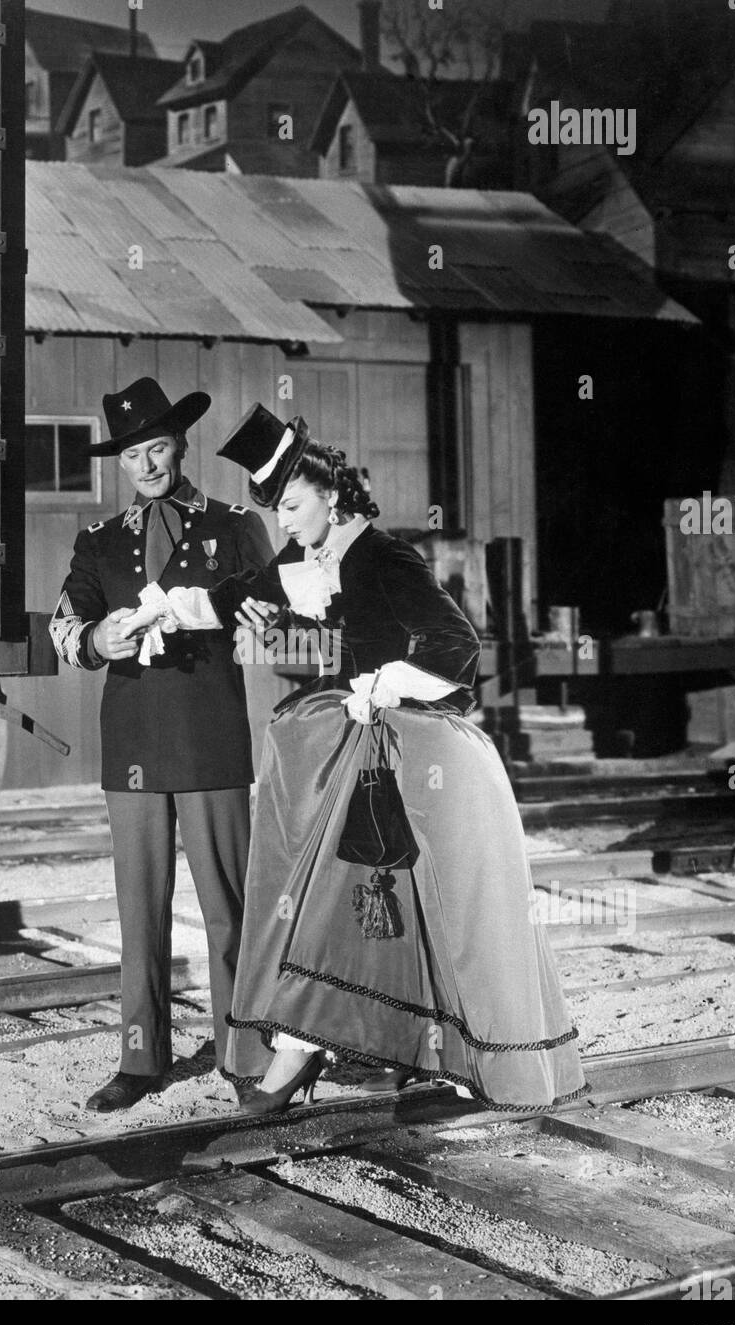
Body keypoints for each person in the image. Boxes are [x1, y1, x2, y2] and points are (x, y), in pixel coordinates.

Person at [117, 403, 588, 1117]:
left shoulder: (386, 556)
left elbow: (455, 644)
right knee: (364, 904)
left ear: (331, 497)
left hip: (422, 751)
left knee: (418, 911)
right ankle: (320, 1051)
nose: (287, 524)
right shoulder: (312, 559)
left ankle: (311, 1055)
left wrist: (385, 681)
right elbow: (240, 595)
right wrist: (159, 611)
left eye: (296, 508)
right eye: (278, 512)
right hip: (361, 747)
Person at [49, 379, 274, 1111]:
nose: (146, 464)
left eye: (157, 448)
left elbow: (271, 614)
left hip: (210, 735)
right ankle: (141, 1060)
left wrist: (214, 614)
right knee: (138, 908)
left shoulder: (236, 526)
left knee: (228, 907)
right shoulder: (98, 540)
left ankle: (244, 1052)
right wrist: (92, 637)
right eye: (132, 455)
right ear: (119, 463)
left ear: (180, 447)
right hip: (133, 738)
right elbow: (66, 622)